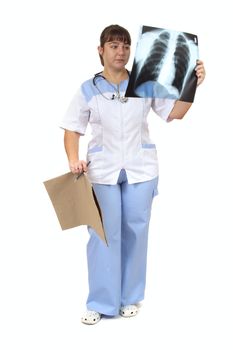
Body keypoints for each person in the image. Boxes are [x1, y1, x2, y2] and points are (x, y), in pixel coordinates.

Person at [60, 24, 205, 325]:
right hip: (102, 170)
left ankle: (130, 298)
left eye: (125, 45)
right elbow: (72, 129)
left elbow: (173, 113)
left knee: (136, 232)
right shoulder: (89, 88)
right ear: (100, 50)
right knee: (103, 235)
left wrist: (192, 85)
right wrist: (73, 159)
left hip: (141, 168)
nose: (121, 51)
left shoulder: (144, 82)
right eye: (114, 45)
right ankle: (101, 302)